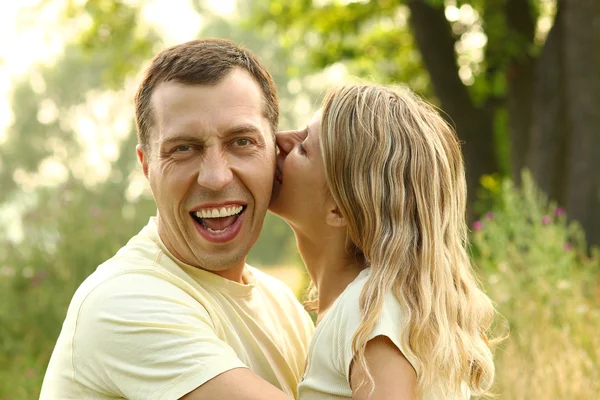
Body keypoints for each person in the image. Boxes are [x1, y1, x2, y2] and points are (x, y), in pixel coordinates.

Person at [40, 38, 314, 400]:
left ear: (277, 154)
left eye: (241, 142)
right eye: (183, 148)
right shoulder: (123, 303)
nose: (215, 177)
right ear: (146, 165)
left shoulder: (282, 305)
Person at [270, 83, 497, 399]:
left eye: (304, 148)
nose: (279, 140)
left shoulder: (370, 309)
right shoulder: (369, 307)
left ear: (339, 207)